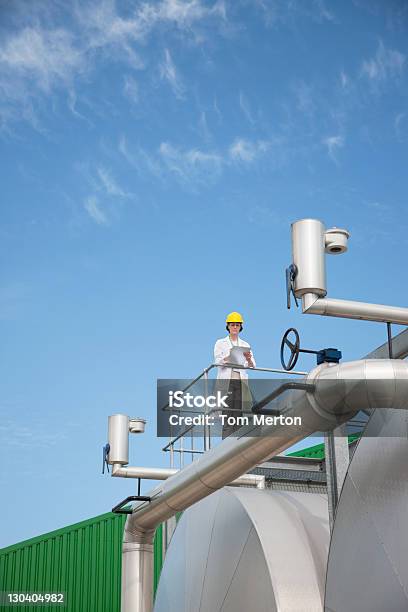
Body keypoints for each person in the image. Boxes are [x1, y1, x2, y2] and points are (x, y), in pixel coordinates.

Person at [213, 312, 256, 438]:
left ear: (240, 327)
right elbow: (217, 361)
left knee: (239, 413)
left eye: (237, 325)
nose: (235, 327)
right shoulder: (220, 343)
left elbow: (253, 365)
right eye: (233, 325)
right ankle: (226, 442)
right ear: (228, 326)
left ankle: (237, 441)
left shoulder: (245, 345)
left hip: (240, 382)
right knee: (228, 412)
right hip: (227, 381)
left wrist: (248, 359)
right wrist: (228, 357)